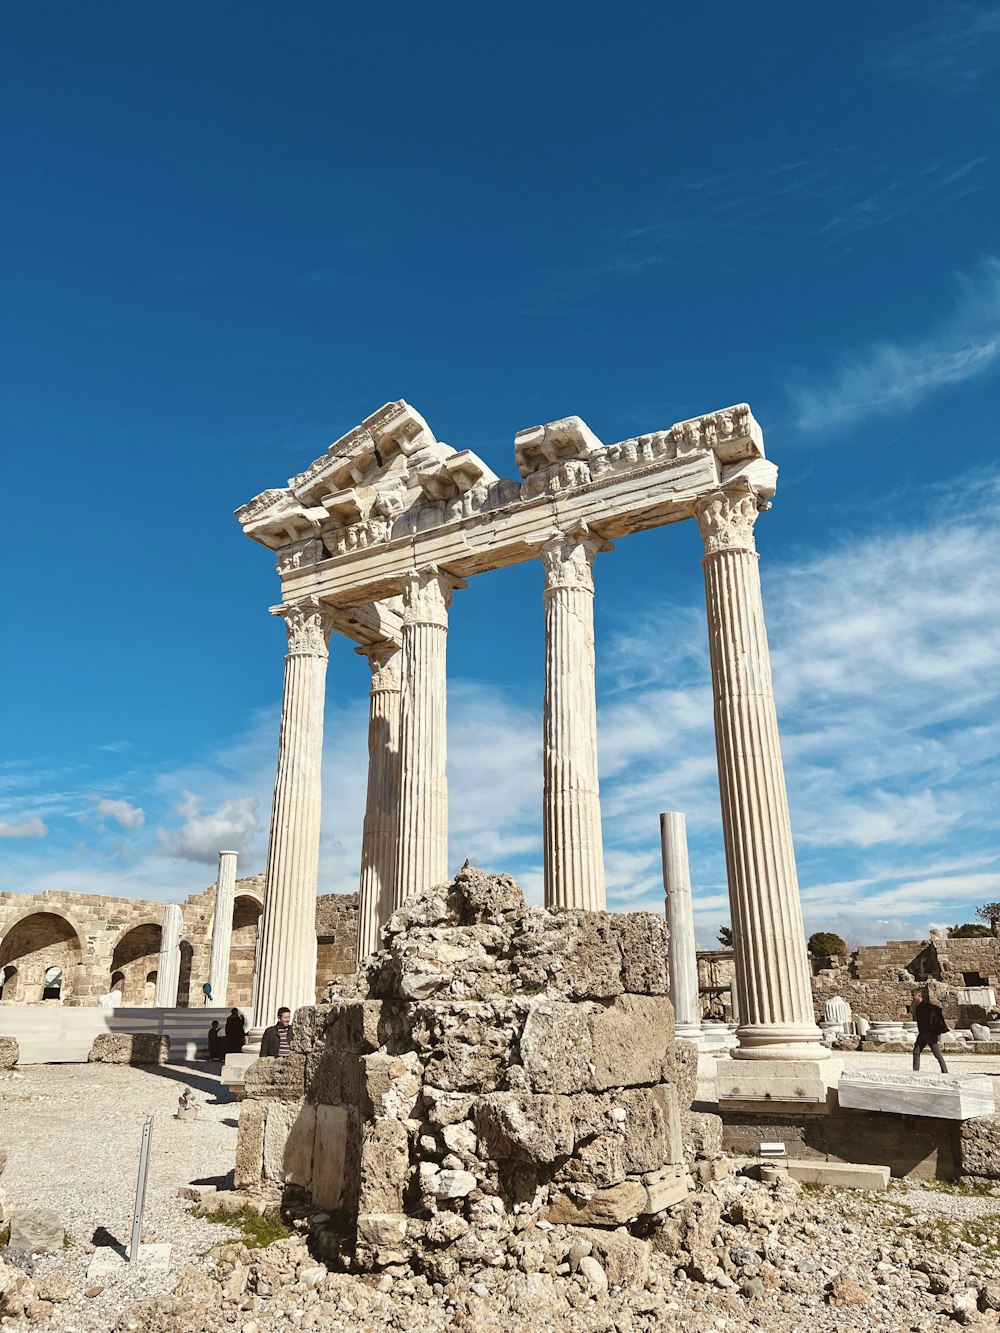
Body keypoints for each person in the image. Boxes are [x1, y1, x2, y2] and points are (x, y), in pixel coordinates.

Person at [912, 987, 949, 1073]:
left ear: (919, 995)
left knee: (937, 1054)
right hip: (922, 1034)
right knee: (916, 1051)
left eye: (914, 996)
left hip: (929, 1034)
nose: (913, 998)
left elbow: (936, 1011)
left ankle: (945, 1071)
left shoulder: (927, 1006)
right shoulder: (918, 1007)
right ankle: (915, 1071)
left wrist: (933, 1028)